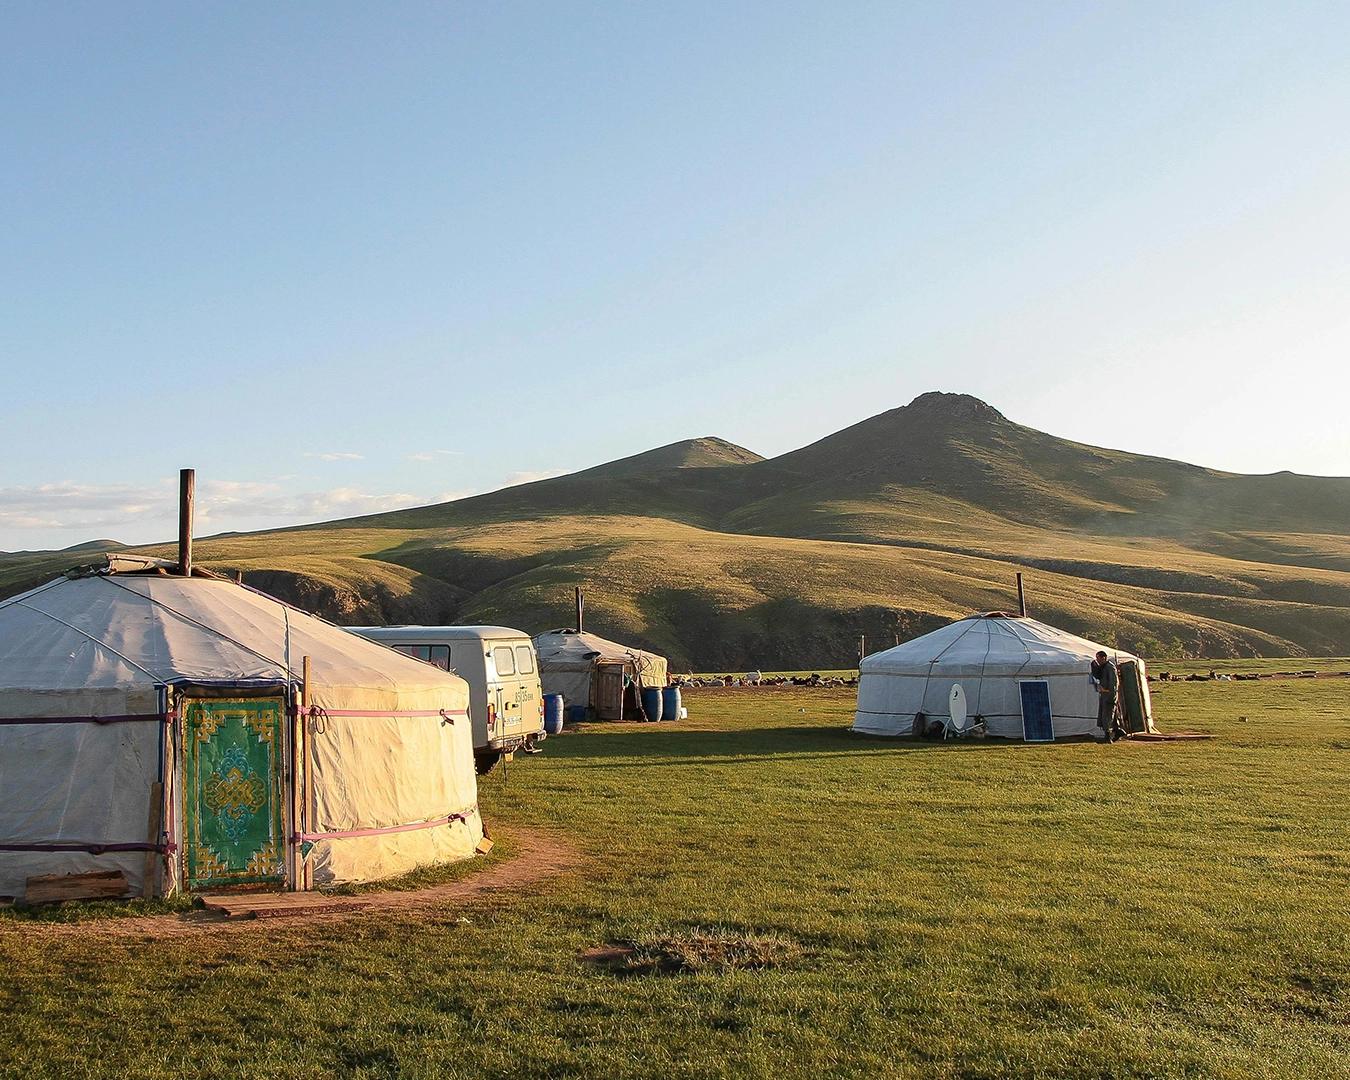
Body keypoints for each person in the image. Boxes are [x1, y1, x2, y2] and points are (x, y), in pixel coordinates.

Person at [1090, 650, 1121, 742]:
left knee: (1107, 715)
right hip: (1104, 694)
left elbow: (1114, 682)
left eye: (1098, 658)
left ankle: (1107, 738)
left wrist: (1107, 690)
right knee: (1110, 715)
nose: (1097, 660)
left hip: (1109, 695)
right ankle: (1118, 731)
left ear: (1103, 658)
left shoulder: (1110, 667)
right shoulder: (1104, 667)